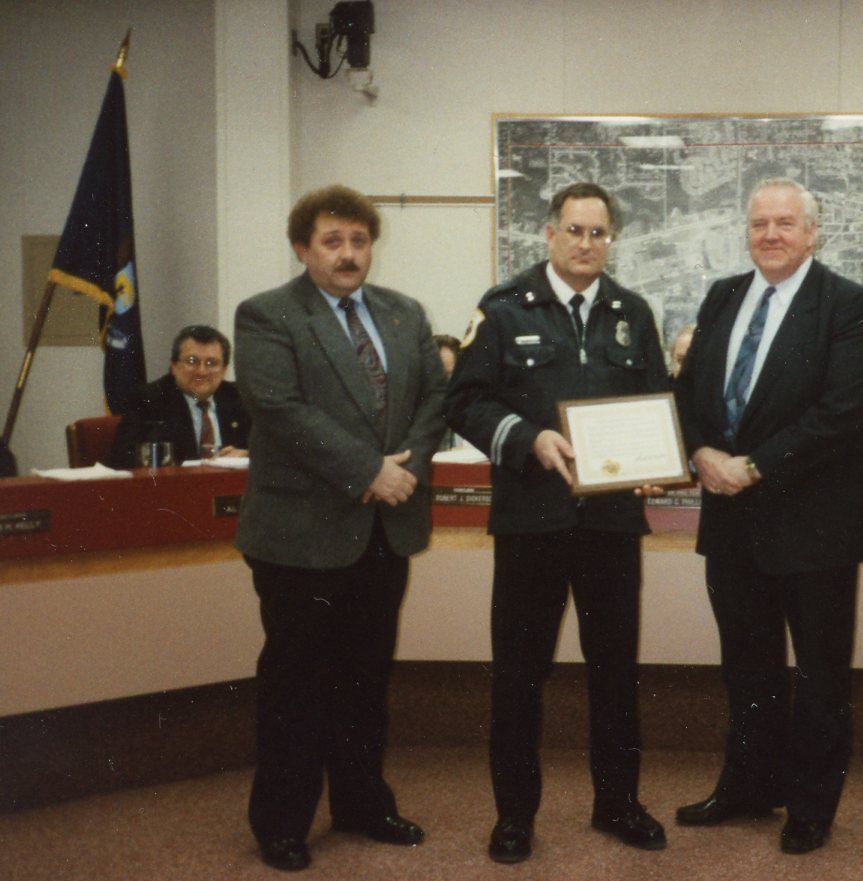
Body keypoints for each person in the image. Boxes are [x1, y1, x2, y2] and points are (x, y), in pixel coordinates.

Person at [445, 181, 670, 865]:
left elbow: (655, 401)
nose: (586, 243)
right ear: (548, 233)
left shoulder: (632, 311)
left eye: (598, 232)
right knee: (519, 676)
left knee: (615, 673)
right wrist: (528, 438)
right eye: (574, 230)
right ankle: (514, 816)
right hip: (531, 522)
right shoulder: (503, 307)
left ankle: (618, 803)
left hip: (610, 522)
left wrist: (655, 460)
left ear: (611, 239)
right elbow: (466, 402)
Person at [232, 185, 448, 872]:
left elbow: (435, 397)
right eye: (332, 241)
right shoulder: (267, 314)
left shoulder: (404, 312)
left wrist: (404, 468)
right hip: (300, 535)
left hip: (385, 530)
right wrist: (368, 471)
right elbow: (278, 408)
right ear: (303, 248)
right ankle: (282, 823)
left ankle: (361, 804)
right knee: (295, 683)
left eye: (358, 241)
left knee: (364, 678)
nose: (348, 254)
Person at [673, 177, 863, 854]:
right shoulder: (722, 295)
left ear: (812, 231)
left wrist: (754, 466)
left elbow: (839, 412)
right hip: (731, 522)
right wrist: (700, 449)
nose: (770, 234)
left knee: (820, 675)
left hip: (813, 523)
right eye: (759, 223)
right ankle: (747, 785)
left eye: (785, 223)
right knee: (746, 667)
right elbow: (690, 391)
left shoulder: (847, 304)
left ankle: (812, 805)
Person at [109, 325, 251, 468]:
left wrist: (248, 454)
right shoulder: (147, 400)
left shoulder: (243, 398)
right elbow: (122, 458)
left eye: (211, 363)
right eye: (192, 361)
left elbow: (264, 448)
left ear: (224, 370)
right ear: (174, 366)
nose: (201, 372)